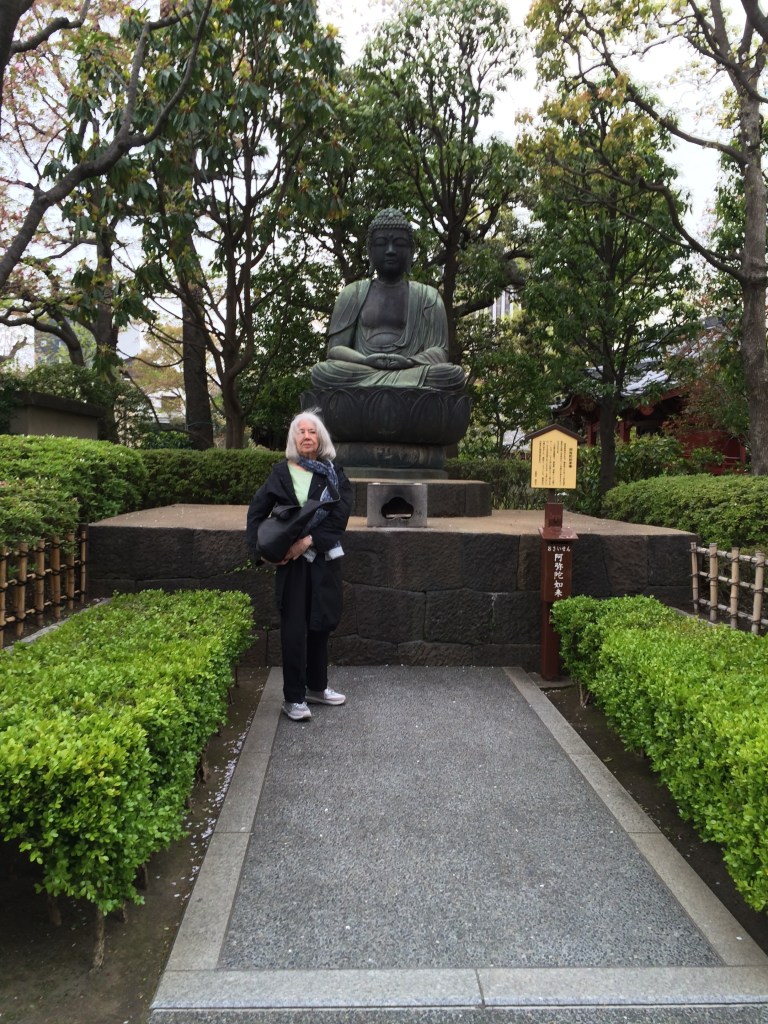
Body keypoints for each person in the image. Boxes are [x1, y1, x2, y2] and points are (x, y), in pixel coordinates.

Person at [246, 411, 353, 721]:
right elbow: (256, 512)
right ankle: (293, 698)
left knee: (321, 623)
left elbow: (340, 516)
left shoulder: (334, 473)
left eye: (312, 431)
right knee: (294, 629)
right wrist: (262, 553)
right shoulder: (281, 473)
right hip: (291, 566)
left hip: (323, 560)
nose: (307, 436)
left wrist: (306, 542)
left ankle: (317, 687)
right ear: (294, 438)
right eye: (301, 431)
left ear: (320, 438)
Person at [310, 208, 465, 392]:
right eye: (381, 243)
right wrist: (365, 360)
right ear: (370, 250)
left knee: (451, 374)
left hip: (410, 371)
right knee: (322, 371)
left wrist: (408, 362)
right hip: (363, 370)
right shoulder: (352, 293)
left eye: (399, 244)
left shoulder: (428, 297)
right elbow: (335, 350)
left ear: (411, 251)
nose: (390, 251)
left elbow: (439, 353)